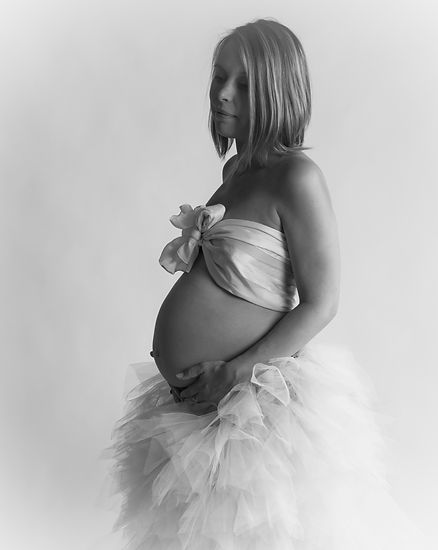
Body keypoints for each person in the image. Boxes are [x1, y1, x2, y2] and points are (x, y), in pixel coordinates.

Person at [100, 18, 432, 550]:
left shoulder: (297, 177)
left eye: (244, 83)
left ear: (279, 92)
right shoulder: (235, 172)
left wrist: (234, 371)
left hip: (251, 405)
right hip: (199, 408)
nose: (222, 93)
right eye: (219, 76)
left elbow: (322, 302)